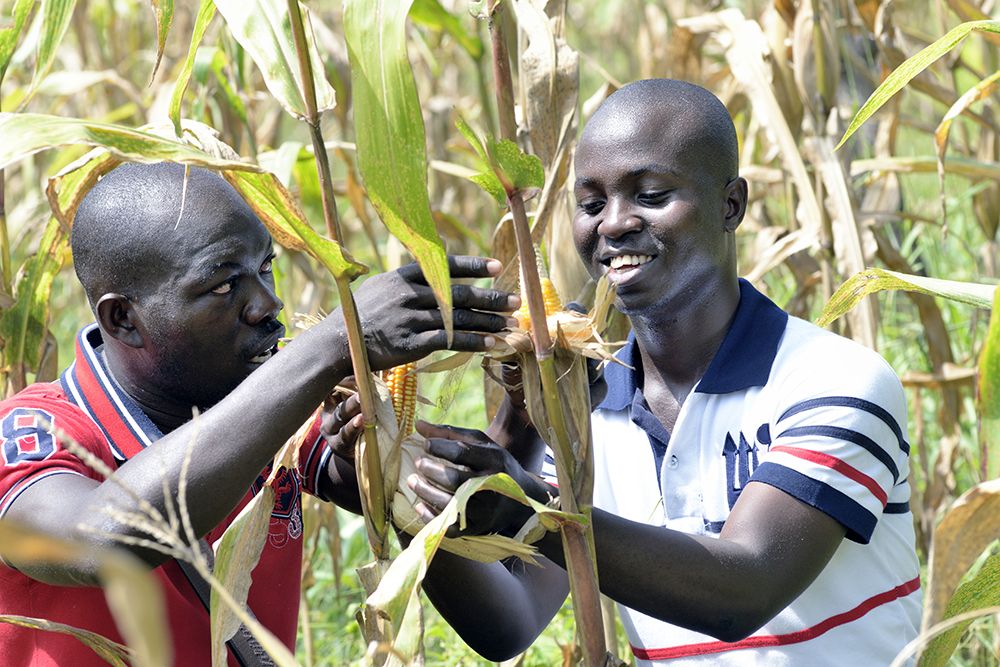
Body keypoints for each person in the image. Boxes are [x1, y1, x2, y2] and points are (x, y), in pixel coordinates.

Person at [403, 79, 922, 665]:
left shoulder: (835, 380)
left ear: (731, 205)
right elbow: (510, 622)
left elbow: (742, 590)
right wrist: (406, 492)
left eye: (650, 195)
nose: (614, 224)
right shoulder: (586, 410)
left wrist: (533, 515)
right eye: (592, 204)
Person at [0, 162, 519, 665]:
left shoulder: (280, 413)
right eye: (223, 286)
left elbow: (501, 628)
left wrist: (516, 420)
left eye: (266, 267)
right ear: (123, 319)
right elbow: (98, 543)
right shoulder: (35, 435)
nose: (267, 303)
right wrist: (335, 342)